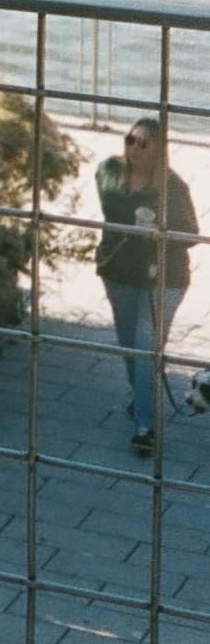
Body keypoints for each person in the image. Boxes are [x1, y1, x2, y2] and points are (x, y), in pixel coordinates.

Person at [95, 117, 199, 457]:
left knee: (144, 344)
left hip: (164, 277)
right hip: (120, 271)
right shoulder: (110, 172)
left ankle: (145, 426)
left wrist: (160, 227)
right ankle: (141, 394)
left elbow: (191, 233)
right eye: (130, 140)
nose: (135, 148)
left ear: (159, 150)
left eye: (144, 143)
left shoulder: (172, 187)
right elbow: (109, 204)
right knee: (129, 344)